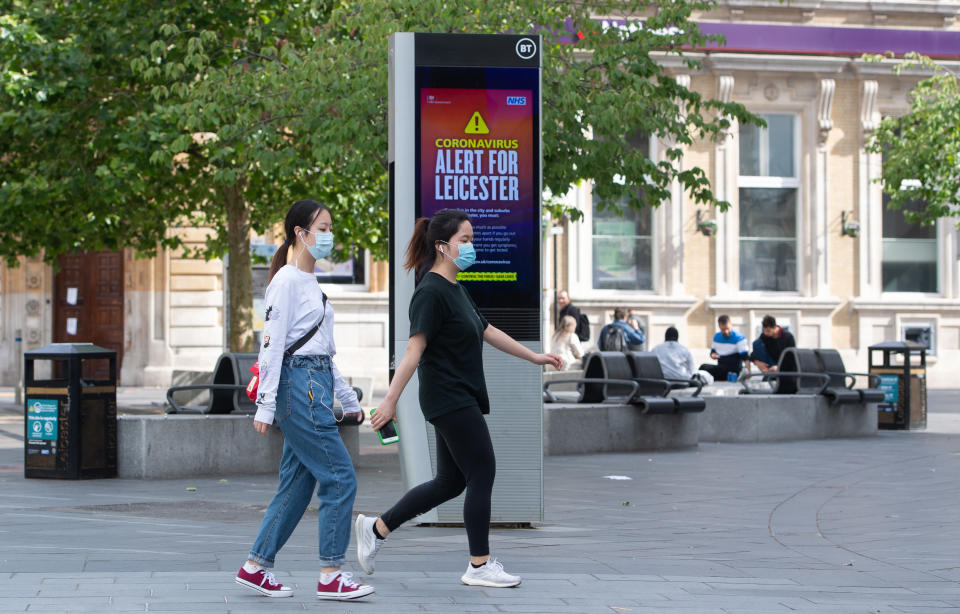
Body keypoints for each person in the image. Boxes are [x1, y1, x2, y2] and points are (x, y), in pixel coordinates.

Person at [355, 209, 562, 588]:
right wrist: (389, 402)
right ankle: (479, 565)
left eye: (471, 239)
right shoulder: (430, 292)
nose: (471, 246)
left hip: (457, 394)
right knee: (483, 470)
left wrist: (534, 356)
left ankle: (376, 528)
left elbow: (486, 329)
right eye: (464, 240)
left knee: (451, 482)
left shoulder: (456, 290)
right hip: (448, 397)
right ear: (442, 246)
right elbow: (414, 351)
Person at [235, 200, 374, 601]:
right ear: (300, 232)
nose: (329, 236)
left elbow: (324, 352)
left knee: (297, 483)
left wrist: (347, 399)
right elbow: (272, 344)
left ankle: (256, 566)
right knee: (339, 476)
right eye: (323, 228)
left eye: (331, 228)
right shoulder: (286, 281)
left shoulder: (311, 284)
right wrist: (264, 405)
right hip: (300, 387)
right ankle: (332, 573)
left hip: (314, 383)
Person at [699, 314, 749, 381]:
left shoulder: (739, 337)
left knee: (706, 370)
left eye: (727, 328)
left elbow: (746, 358)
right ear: (719, 326)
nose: (726, 331)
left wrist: (748, 373)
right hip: (721, 367)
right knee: (703, 368)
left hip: (734, 369)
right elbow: (713, 352)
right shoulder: (717, 337)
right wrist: (712, 355)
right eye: (723, 329)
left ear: (731, 325)